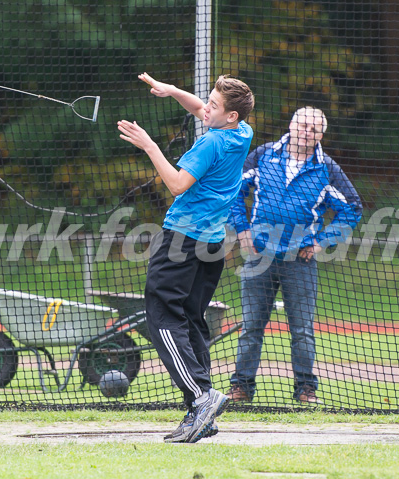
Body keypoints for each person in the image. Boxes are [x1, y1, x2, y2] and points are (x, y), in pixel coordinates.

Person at [118, 72, 255, 442]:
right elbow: (203, 110)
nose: (205, 107)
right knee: (192, 320)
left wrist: (149, 145)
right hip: (212, 244)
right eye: (207, 100)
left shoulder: (211, 142)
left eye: (214, 105)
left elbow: (177, 184)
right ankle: (202, 412)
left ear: (231, 116)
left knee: (162, 316)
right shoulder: (242, 133)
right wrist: (174, 91)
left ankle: (201, 396)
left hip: (182, 239)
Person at [226, 107, 363, 404]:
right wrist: (242, 231)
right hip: (259, 256)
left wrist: (322, 241)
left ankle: (305, 389)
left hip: (300, 261)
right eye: (302, 125)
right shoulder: (263, 155)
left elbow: (352, 208)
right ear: (291, 125)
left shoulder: (326, 168)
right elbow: (233, 190)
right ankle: (241, 388)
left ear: (320, 135)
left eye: (314, 129)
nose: (306, 132)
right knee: (251, 327)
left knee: (302, 330)